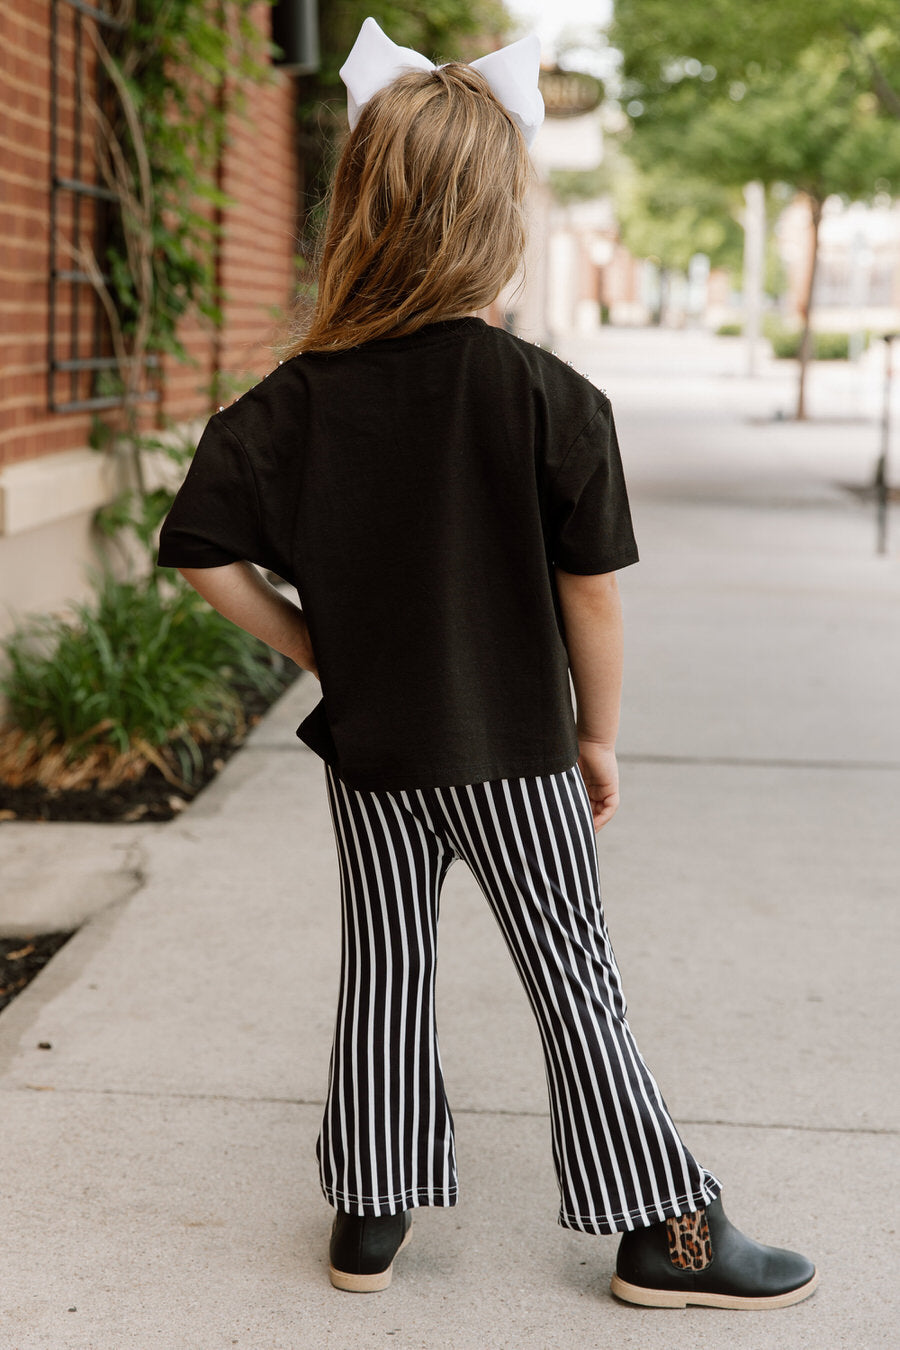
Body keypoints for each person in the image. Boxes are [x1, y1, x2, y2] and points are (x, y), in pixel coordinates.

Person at [157, 17, 817, 1310]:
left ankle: (369, 1209)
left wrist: (320, 646)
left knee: (385, 963)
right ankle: (665, 1230)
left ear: (364, 210)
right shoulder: (547, 395)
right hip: (516, 747)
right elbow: (593, 600)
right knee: (573, 974)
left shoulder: (298, 397)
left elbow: (200, 551)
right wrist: (598, 735)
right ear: (499, 215)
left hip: (374, 751)